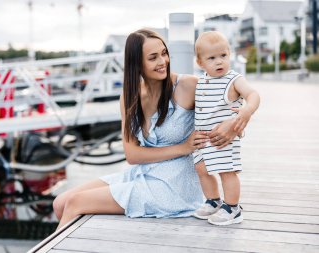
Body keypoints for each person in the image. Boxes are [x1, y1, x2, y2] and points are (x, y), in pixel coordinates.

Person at [53, 29, 240, 230]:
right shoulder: (129, 97)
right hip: (143, 172)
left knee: (75, 203)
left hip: (175, 185)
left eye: (164, 53)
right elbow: (132, 155)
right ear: (137, 64)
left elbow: (231, 103)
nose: (163, 61)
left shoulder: (187, 86)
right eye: (153, 58)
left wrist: (235, 123)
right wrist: (184, 146)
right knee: (60, 202)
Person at [192, 31, 260, 225]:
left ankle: (233, 207)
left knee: (226, 171)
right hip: (203, 139)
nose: (219, 62)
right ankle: (213, 201)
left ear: (229, 54)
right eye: (211, 58)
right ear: (200, 62)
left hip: (224, 139)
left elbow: (253, 94)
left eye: (223, 55)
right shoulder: (202, 82)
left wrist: (246, 111)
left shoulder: (233, 79)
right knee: (202, 168)